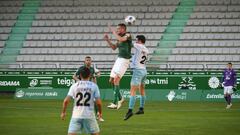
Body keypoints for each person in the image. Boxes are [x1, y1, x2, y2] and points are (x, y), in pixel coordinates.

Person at [61, 67, 102, 135]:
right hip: (89, 116)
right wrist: (100, 113)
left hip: (76, 115)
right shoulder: (94, 86)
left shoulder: (74, 86)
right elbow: (99, 103)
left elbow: (66, 101)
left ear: (79, 75)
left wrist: (63, 112)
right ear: (90, 75)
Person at [104, 23, 133, 109]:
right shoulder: (119, 39)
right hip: (119, 59)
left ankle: (115, 103)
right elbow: (113, 47)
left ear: (124, 29)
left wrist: (113, 31)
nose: (117, 30)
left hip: (124, 60)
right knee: (111, 80)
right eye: (116, 29)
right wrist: (108, 40)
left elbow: (121, 38)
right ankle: (121, 98)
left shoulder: (128, 35)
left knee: (116, 79)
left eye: (118, 29)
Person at [124, 35, 149, 120]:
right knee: (142, 89)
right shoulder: (146, 49)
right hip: (144, 71)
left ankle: (130, 110)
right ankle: (141, 108)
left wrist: (128, 36)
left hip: (138, 71)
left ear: (140, 41)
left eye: (137, 40)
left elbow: (130, 43)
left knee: (133, 90)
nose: (136, 41)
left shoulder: (139, 46)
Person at [72, 56, 104, 121]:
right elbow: (74, 76)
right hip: (81, 88)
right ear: (84, 61)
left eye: (89, 60)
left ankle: (98, 115)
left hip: (90, 88)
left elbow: (97, 74)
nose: (88, 61)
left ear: (91, 62)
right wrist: (80, 82)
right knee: (81, 102)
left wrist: (98, 75)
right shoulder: (81, 69)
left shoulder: (92, 69)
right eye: (87, 60)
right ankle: (78, 116)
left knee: (95, 101)